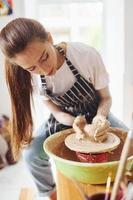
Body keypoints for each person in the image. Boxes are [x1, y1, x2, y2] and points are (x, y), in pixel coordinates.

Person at [0, 18, 128, 200]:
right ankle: (50, 194)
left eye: (44, 56)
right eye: (32, 68)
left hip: (96, 113)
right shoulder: (29, 78)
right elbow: (57, 112)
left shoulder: (85, 55)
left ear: (50, 38)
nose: (44, 69)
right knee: (31, 155)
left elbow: (105, 98)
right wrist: (74, 122)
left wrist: (100, 117)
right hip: (64, 119)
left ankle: (124, 190)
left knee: (130, 146)